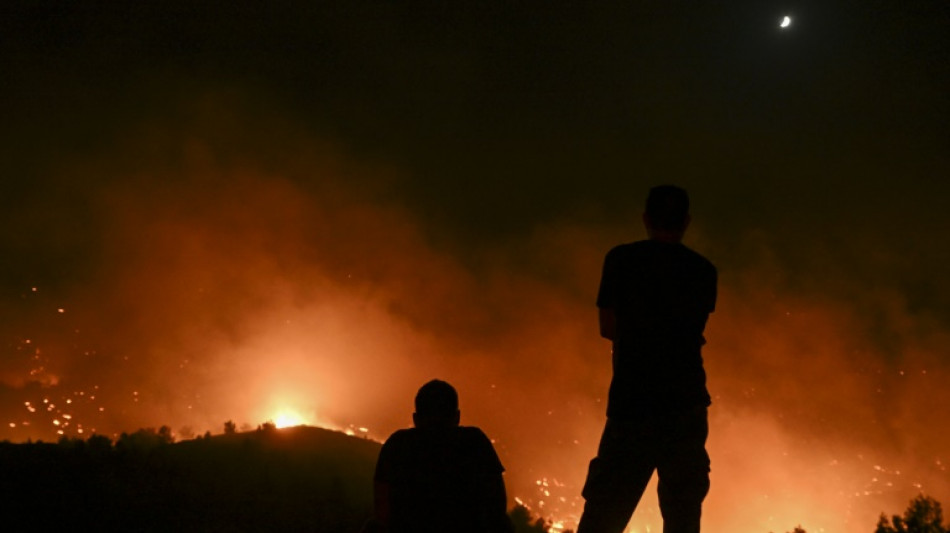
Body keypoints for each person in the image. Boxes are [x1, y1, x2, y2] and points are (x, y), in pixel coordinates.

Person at [577, 185, 717, 533]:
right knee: (683, 517)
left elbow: (608, 327)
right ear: (686, 221)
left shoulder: (621, 259)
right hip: (685, 407)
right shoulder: (703, 270)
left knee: (604, 513)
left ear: (645, 219)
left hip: (633, 405)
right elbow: (693, 329)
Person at [366, 379, 513, 533]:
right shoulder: (474, 441)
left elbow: (381, 508)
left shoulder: (397, 444)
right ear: (457, 417)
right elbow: (497, 502)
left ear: (415, 419)